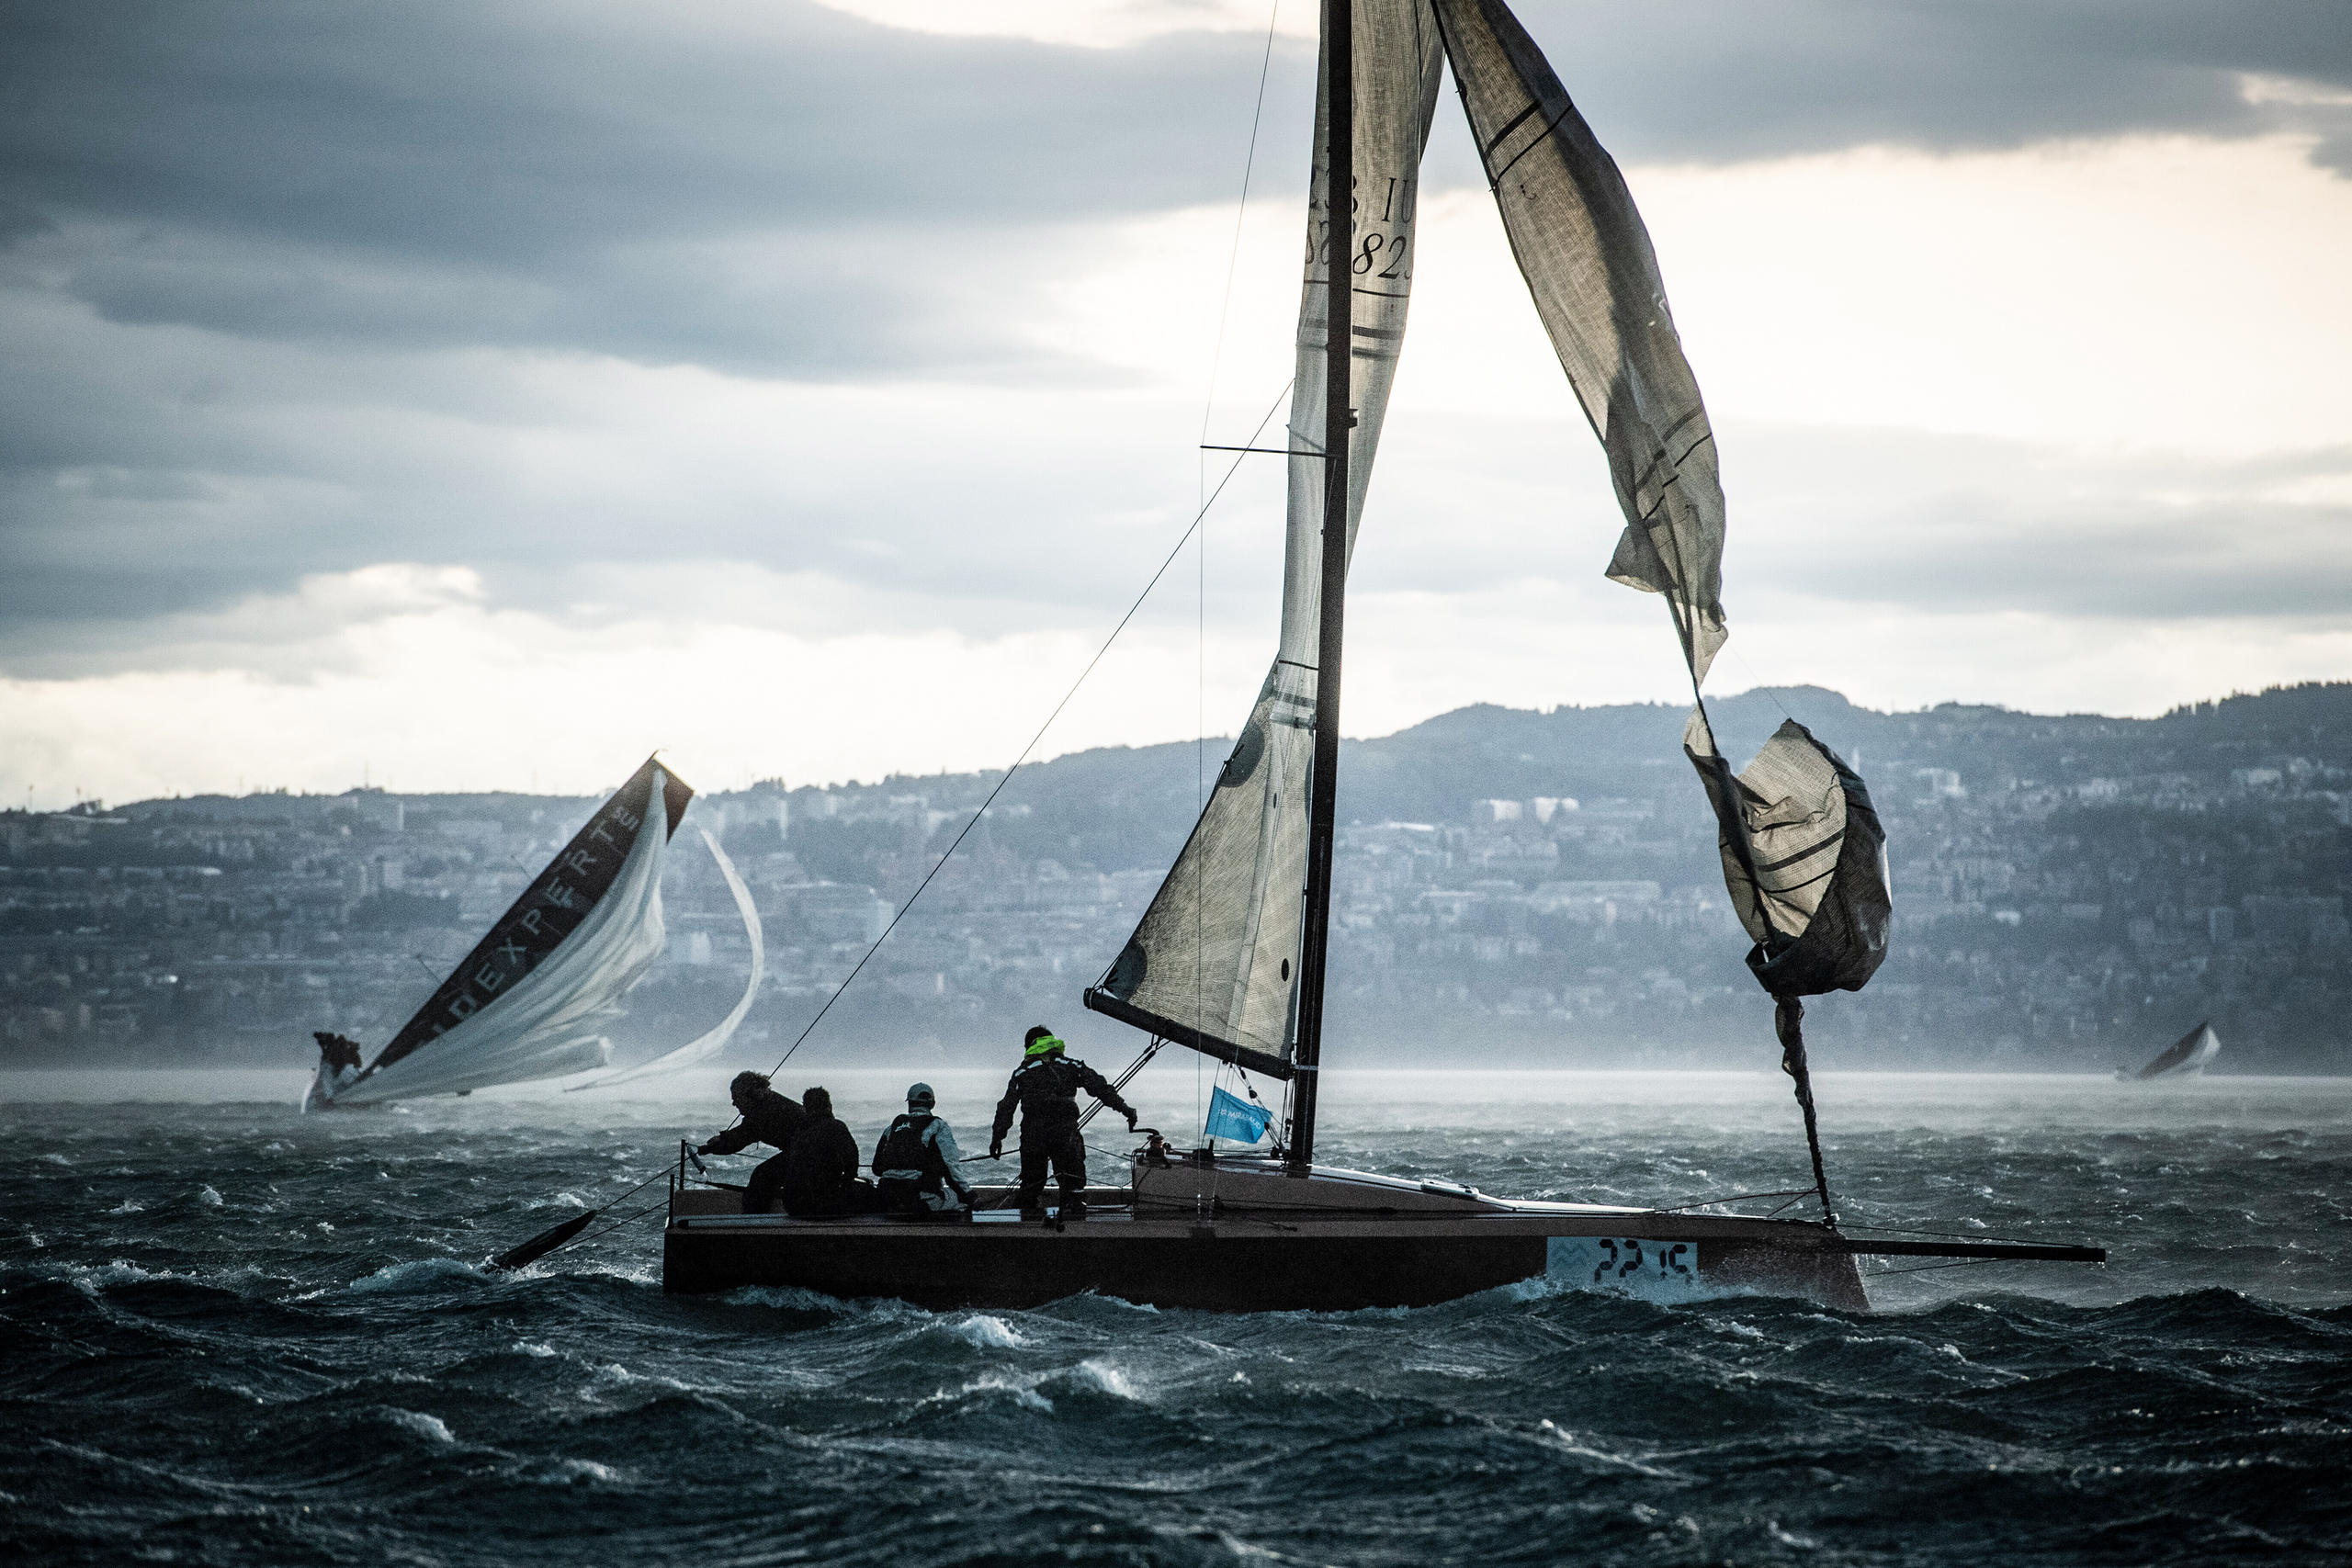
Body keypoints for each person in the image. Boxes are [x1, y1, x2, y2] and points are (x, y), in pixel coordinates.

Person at [990, 1025, 1135, 1221]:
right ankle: (1075, 1228)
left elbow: (1006, 1107)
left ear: (1029, 1046)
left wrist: (997, 1137)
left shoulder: (1022, 1072)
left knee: (1031, 1185)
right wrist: (1125, 1109)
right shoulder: (1070, 1065)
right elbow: (1101, 1088)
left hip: (1034, 1135)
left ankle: (1026, 1231)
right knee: (1073, 1186)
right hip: (1065, 1134)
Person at [696, 1071, 807, 1214]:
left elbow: (741, 1137)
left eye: (737, 1098)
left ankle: (754, 1222)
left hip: (806, 1155)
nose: (734, 1103)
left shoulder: (764, 1111)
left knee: (762, 1176)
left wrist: (711, 1147)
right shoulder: (768, 1104)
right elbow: (744, 1131)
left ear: (750, 1095)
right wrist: (721, 1140)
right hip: (805, 1153)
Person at [872, 1082, 974, 1219]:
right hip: (918, 1197)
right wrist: (969, 1196)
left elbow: (877, 1168)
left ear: (909, 1104)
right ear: (932, 1104)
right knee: (960, 1201)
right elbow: (951, 1168)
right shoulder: (938, 1126)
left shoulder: (891, 1128)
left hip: (886, 1194)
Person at [781, 1086, 883, 1216]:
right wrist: (846, 1184)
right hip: (821, 1204)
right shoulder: (836, 1127)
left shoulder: (799, 1130)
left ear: (805, 1107)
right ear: (829, 1106)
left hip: (793, 1204)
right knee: (871, 1193)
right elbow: (851, 1162)